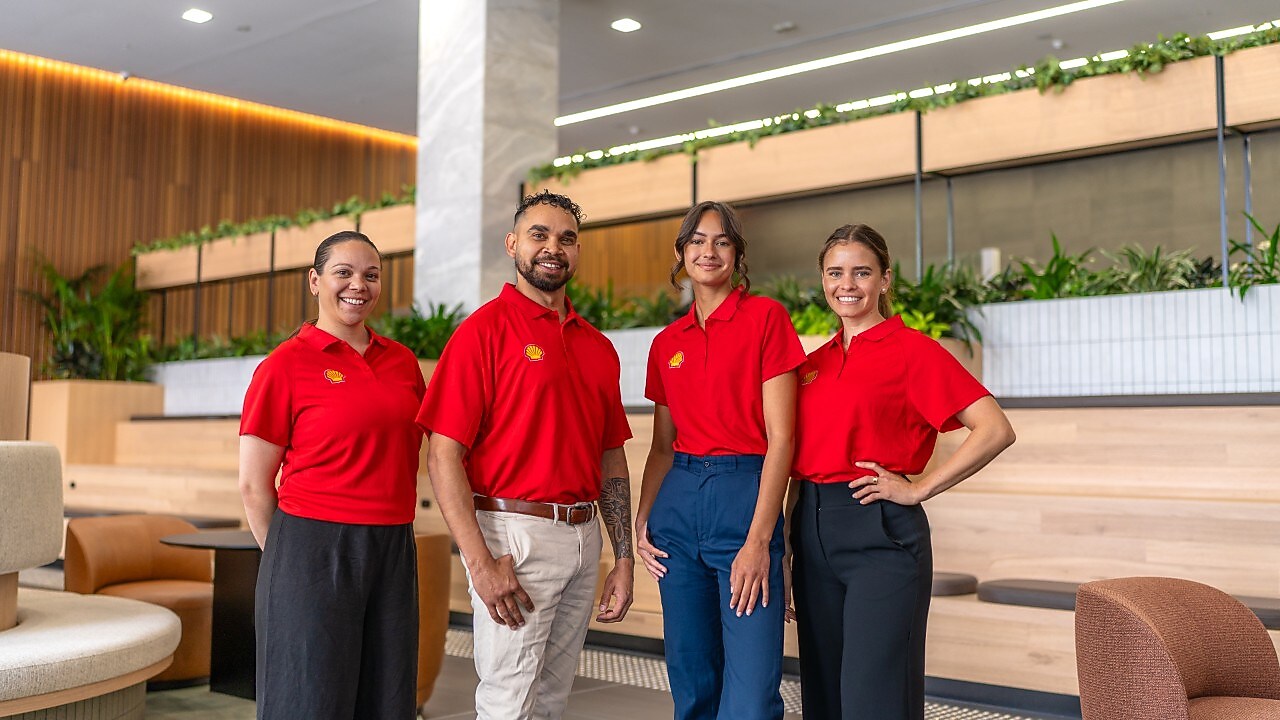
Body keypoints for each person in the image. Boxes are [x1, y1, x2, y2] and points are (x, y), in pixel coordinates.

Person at [417, 190, 635, 720]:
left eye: (566, 238)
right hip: (513, 537)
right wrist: (481, 564)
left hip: (584, 538)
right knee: (508, 701)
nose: (552, 248)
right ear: (513, 244)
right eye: (539, 235)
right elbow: (443, 457)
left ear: (577, 252)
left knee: (552, 699)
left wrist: (623, 555)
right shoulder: (481, 333)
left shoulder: (597, 347)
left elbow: (610, 460)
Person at [789, 224, 1016, 720]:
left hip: (880, 535)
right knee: (823, 699)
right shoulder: (811, 365)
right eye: (835, 273)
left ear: (885, 280)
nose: (847, 284)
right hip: (810, 531)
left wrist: (920, 489)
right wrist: (787, 546)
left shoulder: (913, 350)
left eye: (862, 272)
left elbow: (994, 428)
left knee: (875, 700)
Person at [238, 230, 426, 720]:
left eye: (371, 275)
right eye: (343, 272)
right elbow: (254, 485)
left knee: (387, 698)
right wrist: (292, 559)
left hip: (393, 545)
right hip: (311, 547)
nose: (357, 285)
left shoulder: (402, 362)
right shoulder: (284, 365)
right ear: (315, 280)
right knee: (309, 702)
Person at [635, 200, 805, 720]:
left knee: (751, 699)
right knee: (692, 684)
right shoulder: (667, 343)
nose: (708, 251)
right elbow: (663, 446)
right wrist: (643, 519)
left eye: (721, 241)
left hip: (744, 500)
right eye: (698, 241)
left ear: (737, 253)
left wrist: (760, 542)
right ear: (681, 253)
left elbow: (783, 440)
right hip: (678, 508)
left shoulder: (766, 318)